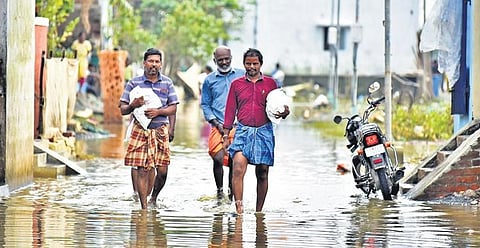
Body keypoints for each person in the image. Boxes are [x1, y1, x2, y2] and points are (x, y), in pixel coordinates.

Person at [222, 48, 290, 214]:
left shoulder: (271, 83)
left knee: (262, 173)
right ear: (243, 64)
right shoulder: (236, 84)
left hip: (264, 132)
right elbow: (230, 110)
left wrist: (285, 112)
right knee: (237, 167)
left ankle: (259, 212)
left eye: (255, 64)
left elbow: (278, 107)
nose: (251, 67)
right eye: (248, 63)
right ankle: (239, 208)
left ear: (261, 64)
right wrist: (225, 135)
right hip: (243, 131)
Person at [119, 48, 179, 209]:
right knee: (142, 168)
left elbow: (173, 108)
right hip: (140, 130)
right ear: (144, 63)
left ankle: (154, 198)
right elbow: (123, 109)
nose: (154, 64)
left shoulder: (167, 83)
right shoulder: (133, 83)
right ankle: (144, 207)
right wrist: (133, 105)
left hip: (160, 130)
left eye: (157, 61)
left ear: (161, 64)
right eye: (151, 61)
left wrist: (158, 112)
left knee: (163, 171)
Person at [201, 46, 245, 200]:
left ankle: (231, 194)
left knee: (235, 161)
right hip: (217, 125)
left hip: (238, 125)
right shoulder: (209, 80)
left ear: (231, 57)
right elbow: (205, 104)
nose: (224, 62)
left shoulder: (242, 75)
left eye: (227, 59)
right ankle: (220, 191)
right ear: (215, 61)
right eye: (220, 60)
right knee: (218, 157)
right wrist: (216, 123)